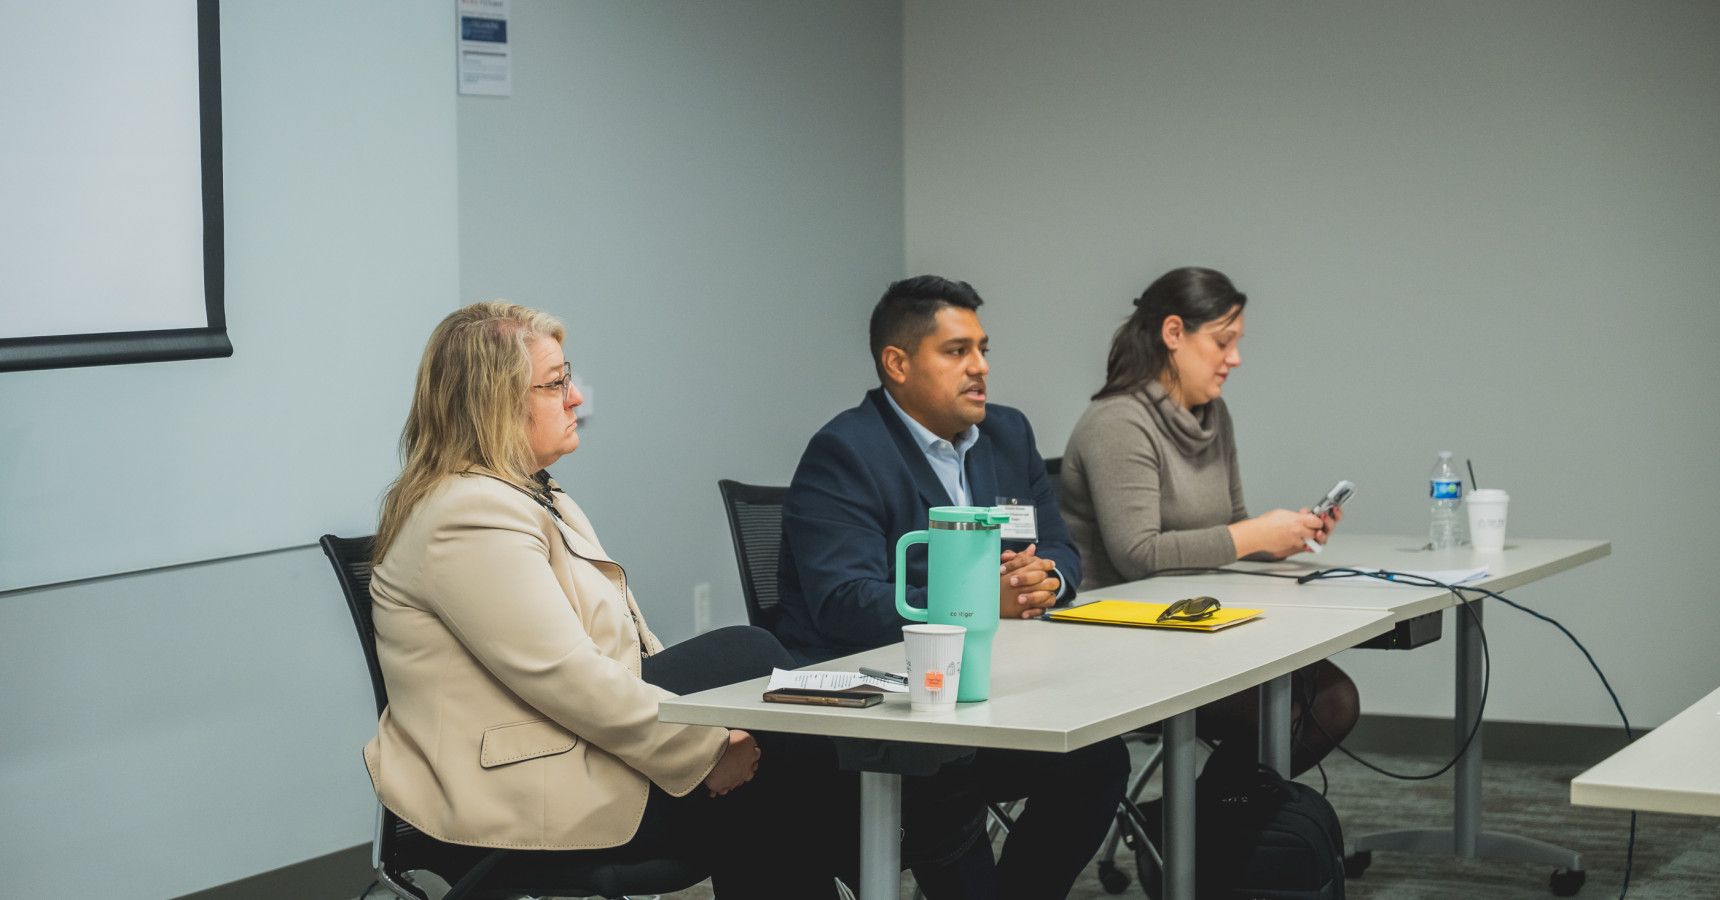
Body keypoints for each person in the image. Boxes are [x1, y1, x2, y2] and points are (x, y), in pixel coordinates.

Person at [363, 301, 852, 899]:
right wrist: (702, 751)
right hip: (515, 793)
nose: (577, 399)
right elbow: (563, 675)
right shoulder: (465, 516)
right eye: (556, 383)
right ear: (495, 404)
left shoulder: (532, 496)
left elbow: (630, 653)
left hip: (575, 746)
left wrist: (720, 734)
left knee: (778, 754)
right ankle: (900, 836)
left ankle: (893, 831)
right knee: (767, 705)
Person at [778, 275, 1131, 900]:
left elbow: (1058, 549)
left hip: (991, 689)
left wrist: (1045, 579)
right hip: (887, 706)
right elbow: (842, 604)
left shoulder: (1008, 434)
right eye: (956, 351)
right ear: (898, 363)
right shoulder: (845, 451)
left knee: (1096, 760)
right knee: (945, 781)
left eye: (983, 349)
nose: (981, 368)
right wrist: (973, 606)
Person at [1059, 266, 1360, 782]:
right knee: (1310, 706)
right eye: (1223, 342)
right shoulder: (1117, 422)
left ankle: (1194, 830)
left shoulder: (1213, 416)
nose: (1235, 359)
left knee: (1331, 698)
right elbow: (1139, 553)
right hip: (1119, 641)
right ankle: (1195, 838)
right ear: (1173, 334)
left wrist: (1285, 537)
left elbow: (1232, 530)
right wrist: (1253, 536)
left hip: (1192, 624)